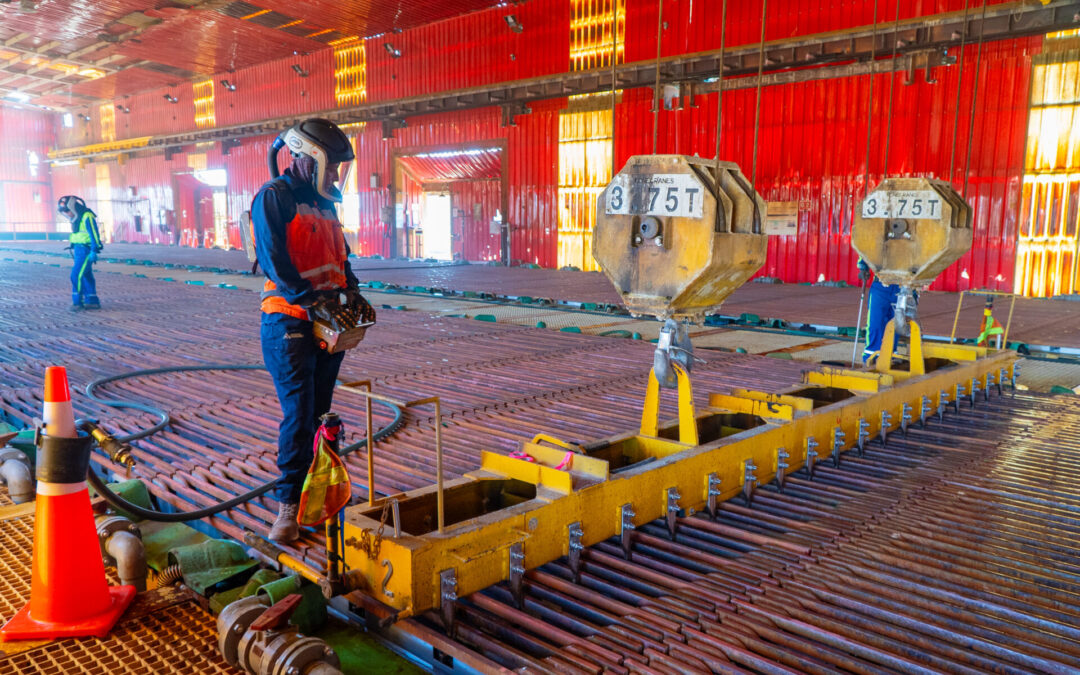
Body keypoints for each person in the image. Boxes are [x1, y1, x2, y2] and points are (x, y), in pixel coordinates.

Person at [251, 118, 371, 543]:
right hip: (289, 320)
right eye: (332, 166)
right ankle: (287, 507)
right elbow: (275, 263)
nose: (336, 175)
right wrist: (311, 300)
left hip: (326, 319)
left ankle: (319, 495)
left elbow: (339, 257)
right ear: (307, 158)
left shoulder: (325, 203)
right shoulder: (273, 198)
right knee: (300, 414)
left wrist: (351, 289)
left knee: (322, 413)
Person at [857, 259, 917, 365]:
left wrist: (914, 292)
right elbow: (867, 246)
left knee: (896, 324)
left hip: (901, 286)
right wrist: (863, 267)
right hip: (880, 285)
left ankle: (890, 356)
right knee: (875, 323)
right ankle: (871, 357)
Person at [57, 196, 103, 311]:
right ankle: (92, 301)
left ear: (73, 207)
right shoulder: (77, 219)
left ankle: (77, 302)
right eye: (65, 212)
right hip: (78, 250)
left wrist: (94, 250)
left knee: (75, 275)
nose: (67, 214)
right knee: (86, 275)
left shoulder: (87, 216)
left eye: (67, 211)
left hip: (85, 250)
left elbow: (94, 234)